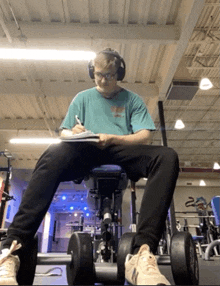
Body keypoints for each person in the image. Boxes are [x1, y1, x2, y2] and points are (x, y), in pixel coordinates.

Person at [0, 48, 179, 285]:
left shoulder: (132, 99)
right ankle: (12, 251)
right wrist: (72, 132)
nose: (103, 80)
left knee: (167, 157)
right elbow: (64, 131)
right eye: (98, 75)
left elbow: (144, 135)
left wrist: (112, 138)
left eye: (109, 75)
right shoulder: (82, 98)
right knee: (52, 153)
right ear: (91, 72)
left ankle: (142, 253)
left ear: (119, 74)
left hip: (119, 147)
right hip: (86, 150)